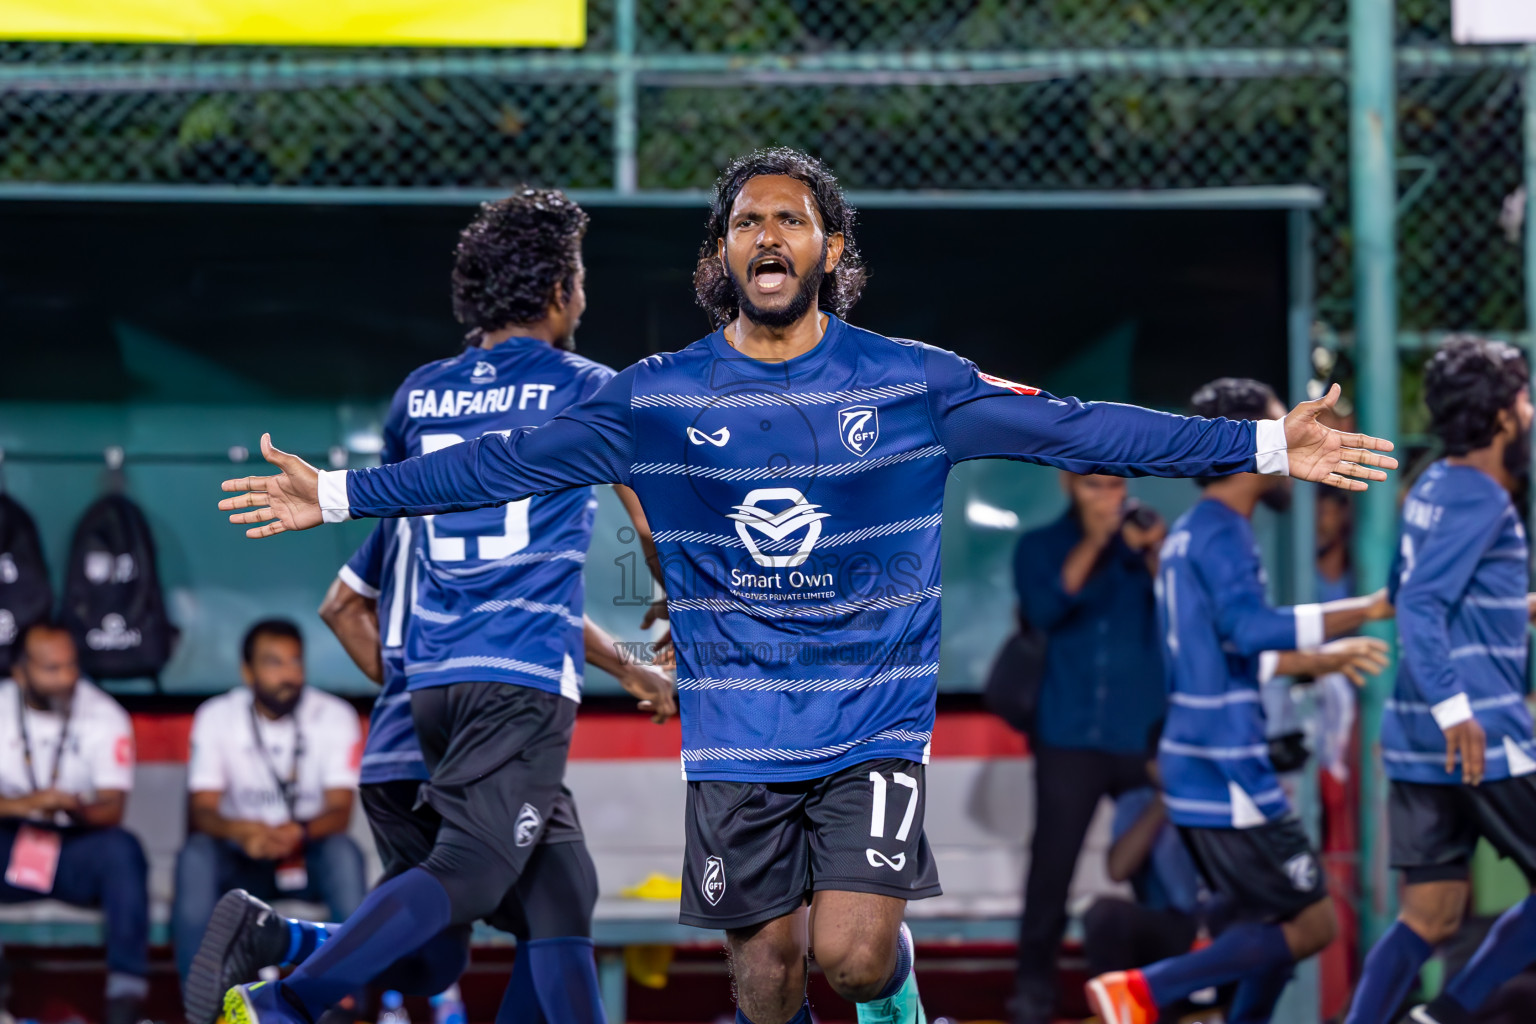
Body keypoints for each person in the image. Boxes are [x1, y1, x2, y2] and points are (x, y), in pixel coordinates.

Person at [215, 148, 1398, 1024]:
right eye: (747, 220)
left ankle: (899, 998)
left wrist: (1259, 447)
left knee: (853, 956)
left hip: (870, 720)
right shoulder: (656, 395)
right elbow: (502, 462)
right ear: (723, 255)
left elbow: (1078, 425)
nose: (769, 233)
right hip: (735, 737)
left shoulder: (911, 383)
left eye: (793, 218)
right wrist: (335, 497)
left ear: (831, 249)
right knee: (766, 976)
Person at [205, 188, 678, 1024]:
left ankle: (291, 949)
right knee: (470, 874)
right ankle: (287, 1003)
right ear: (560, 290)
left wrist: (629, 672)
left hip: (427, 686)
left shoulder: (418, 398)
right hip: (519, 680)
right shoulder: (589, 388)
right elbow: (653, 519)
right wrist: (680, 615)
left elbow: (372, 581)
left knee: (559, 895)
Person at [1085, 377, 1394, 1024]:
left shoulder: (1197, 531)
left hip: (1201, 765)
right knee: (1311, 927)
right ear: (1249, 440)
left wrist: (1323, 656)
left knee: (1269, 941)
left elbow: (1224, 650)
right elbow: (1248, 630)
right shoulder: (1221, 532)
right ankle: (1143, 989)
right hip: (1229, 772)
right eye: (1288, 424)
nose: (1304, 437)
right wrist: (1367, 609)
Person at [1345, 336, 1536, 1024]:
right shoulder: (1484, 499)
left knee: (1430, 913)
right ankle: (1445, 1017)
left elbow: (1408, 589)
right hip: (1479, 734)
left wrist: (1518, 607)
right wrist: (1459, 709)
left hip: (1416, 738)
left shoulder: (1429, 485)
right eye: (1523, 397)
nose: (1531, 410)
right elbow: (1421, 602)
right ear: (1503, 417)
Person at [1010, 473, 1167, 1024]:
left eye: (1116, 487)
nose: (1110, 497)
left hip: (1139, 737)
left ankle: (1161, 987)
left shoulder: (1143, 545)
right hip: (1068, 734)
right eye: (1096, 486)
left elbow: (1178, 617)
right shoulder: (1041, 546)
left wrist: (1156, 554)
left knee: (1157, 872)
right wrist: (1098, 542)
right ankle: (1033, 993)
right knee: (1050, 873)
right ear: (1068, 485)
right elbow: (1045, 609)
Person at [173, 619, 366, 988]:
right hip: (242, 855)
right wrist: (243, 832)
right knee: (196, 855)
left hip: (305, 852)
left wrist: (299, 832)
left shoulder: (335, 715)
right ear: (248, 672)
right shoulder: (216, 716)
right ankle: (202, 1000)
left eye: (295, 662)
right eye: (274, 663)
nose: (288, 674)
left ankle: (344, 998)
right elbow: (202, 810)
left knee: (344, 852)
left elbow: (340, 811)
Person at [0, 620, 147, 1024]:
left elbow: (112, 810)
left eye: (70, 666)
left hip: (74, 848)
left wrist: (74, 806)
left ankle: (126, 995)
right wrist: (29, 803)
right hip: (11, 842)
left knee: (123, 850)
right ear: (20, 670)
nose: (65, 678)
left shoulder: (104, 714)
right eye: (51, 668)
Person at [1082, 722, 1228, 1022]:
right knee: (1104, 914)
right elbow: (1118, 869)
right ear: (1153, 767)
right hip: (1170, 928)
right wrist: (1165, 803)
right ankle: (1123, 1012)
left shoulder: (1225, 798)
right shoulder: (1136, 802)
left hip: (1224, 924)